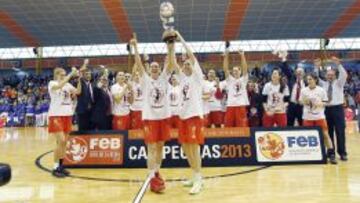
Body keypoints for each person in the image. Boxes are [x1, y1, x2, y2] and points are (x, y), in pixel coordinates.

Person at [130, 35, 172, 193]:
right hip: (150, 118)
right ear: (150, 69)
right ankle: (150, 176)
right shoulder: (145, 80)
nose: (154, 68)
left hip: (163, 117)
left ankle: (156, 171)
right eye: (152, 66)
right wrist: (135, 48)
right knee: (152, 147)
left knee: (160, 146)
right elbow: (139, 64)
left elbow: (169, 61)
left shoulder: (164, 78)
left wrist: (170, 45)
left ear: (160, 69)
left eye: (157, 66)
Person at [171, 30, 205, 195]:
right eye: (184, 65)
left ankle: (199, 179)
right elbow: (173, 62)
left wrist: (180, 37)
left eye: (188, 64)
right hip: (182, 117)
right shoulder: (182, 78)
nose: (186, 65)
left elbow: (190, 55)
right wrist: (170, 44)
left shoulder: (197, 77)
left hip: (194, 116)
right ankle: (194, 175)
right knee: (186, 147)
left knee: (194, 147)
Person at [48, 67, 80, 177]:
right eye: (61, 74)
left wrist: (79, 79)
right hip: (56, 115)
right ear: (56, 75)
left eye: (64, 74)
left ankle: (61, 166)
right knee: (60, 140)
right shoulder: (52, 83)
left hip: (67, 115)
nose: (63, 76)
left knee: (65, 142)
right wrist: (71, 74)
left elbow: (78, 91)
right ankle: (55, 167)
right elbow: (59, 85)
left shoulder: (68, 85)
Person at [299, 73, 337, 164]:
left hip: (319, 116)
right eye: (308, 79)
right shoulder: (304, 90)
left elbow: (326, 102)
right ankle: (310, 155)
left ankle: (331, 154)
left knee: (325, 135)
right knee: (307, 137)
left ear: (315, 80)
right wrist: (305, 101)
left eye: (311, 79)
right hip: (307, 117)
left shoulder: (321, 90)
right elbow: (300, 101)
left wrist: (321, 104)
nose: (309, 81)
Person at [317, 56, 348, 161]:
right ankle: (331, 153)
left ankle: (342, 153)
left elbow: (344, 75)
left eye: (332, 75)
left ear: (335, 76)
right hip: (326, 110)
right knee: (328, 132)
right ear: (326, 76)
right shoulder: (323, 84)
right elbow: (316, 77)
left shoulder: (339, 83)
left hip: (338, 109)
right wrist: (317, 67)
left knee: (340, 131)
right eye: (328, 75)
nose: (330, 76)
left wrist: (338, 64)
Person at [222, 49, 249, 127]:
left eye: (237, 70)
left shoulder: (243, 79)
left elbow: (245, 68)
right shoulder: (230, 80)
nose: (235, 72)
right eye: (234, 71)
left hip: (241, 106)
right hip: (230, 105)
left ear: (240, 72)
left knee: (242, 127)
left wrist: (242, 55)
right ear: (232, 72)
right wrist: (226, 56)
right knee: (228, 126)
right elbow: (225, 69)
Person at [75, 59, 95, 131]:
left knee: (90, 129)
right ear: (83, 75)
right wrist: (85, 64)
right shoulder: (80, 82)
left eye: (89, 74)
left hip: (91, 110)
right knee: (82, 129)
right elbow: (79, 72)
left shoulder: (92, 84)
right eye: (86, 74)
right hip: (82, 110)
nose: (88, 75)